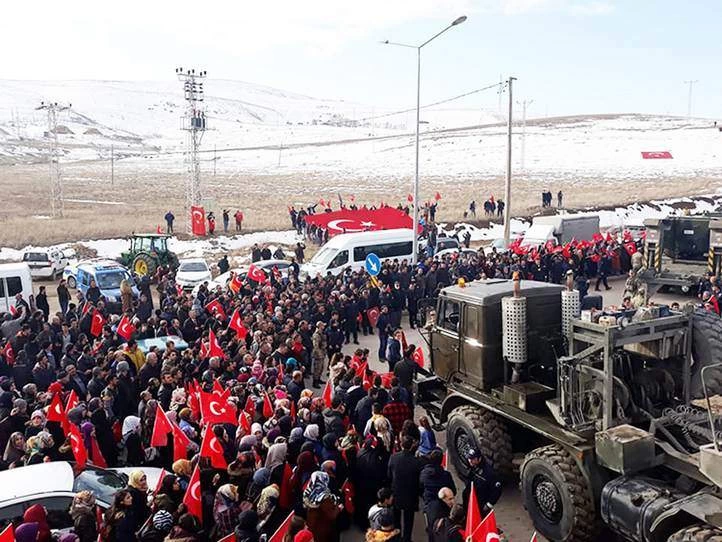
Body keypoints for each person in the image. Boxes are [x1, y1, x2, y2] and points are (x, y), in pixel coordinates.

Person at [387, 437, 422, 542]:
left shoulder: (393, 457)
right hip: (410, 495)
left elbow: (389, 475)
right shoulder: (416, 462)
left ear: (401, 445)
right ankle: (407, 539)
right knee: (409, 519)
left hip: (396, 492)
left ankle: (397, 537)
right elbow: (418, 480)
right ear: (411, 446)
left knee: (396, 517)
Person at [303, 471, 342, 542]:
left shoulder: (308, 492)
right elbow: (332, 515)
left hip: (312, 525)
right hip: (324, 527)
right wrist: (338, 508)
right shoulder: (324, 498)